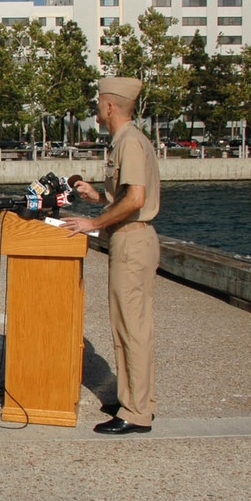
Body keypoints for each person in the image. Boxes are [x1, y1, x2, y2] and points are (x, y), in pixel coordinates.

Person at [61, 77, 159, 435]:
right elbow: (126, 198)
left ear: (111, 106)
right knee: (125, 327)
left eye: (99, 101)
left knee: (133, 329)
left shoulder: (130, 142)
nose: (97, 108)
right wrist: (98, 198)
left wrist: (92, 222)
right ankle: (133, 398)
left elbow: (135, 200)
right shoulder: (125, 141)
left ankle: (137, 412)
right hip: (126, 239)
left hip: (133, 241)